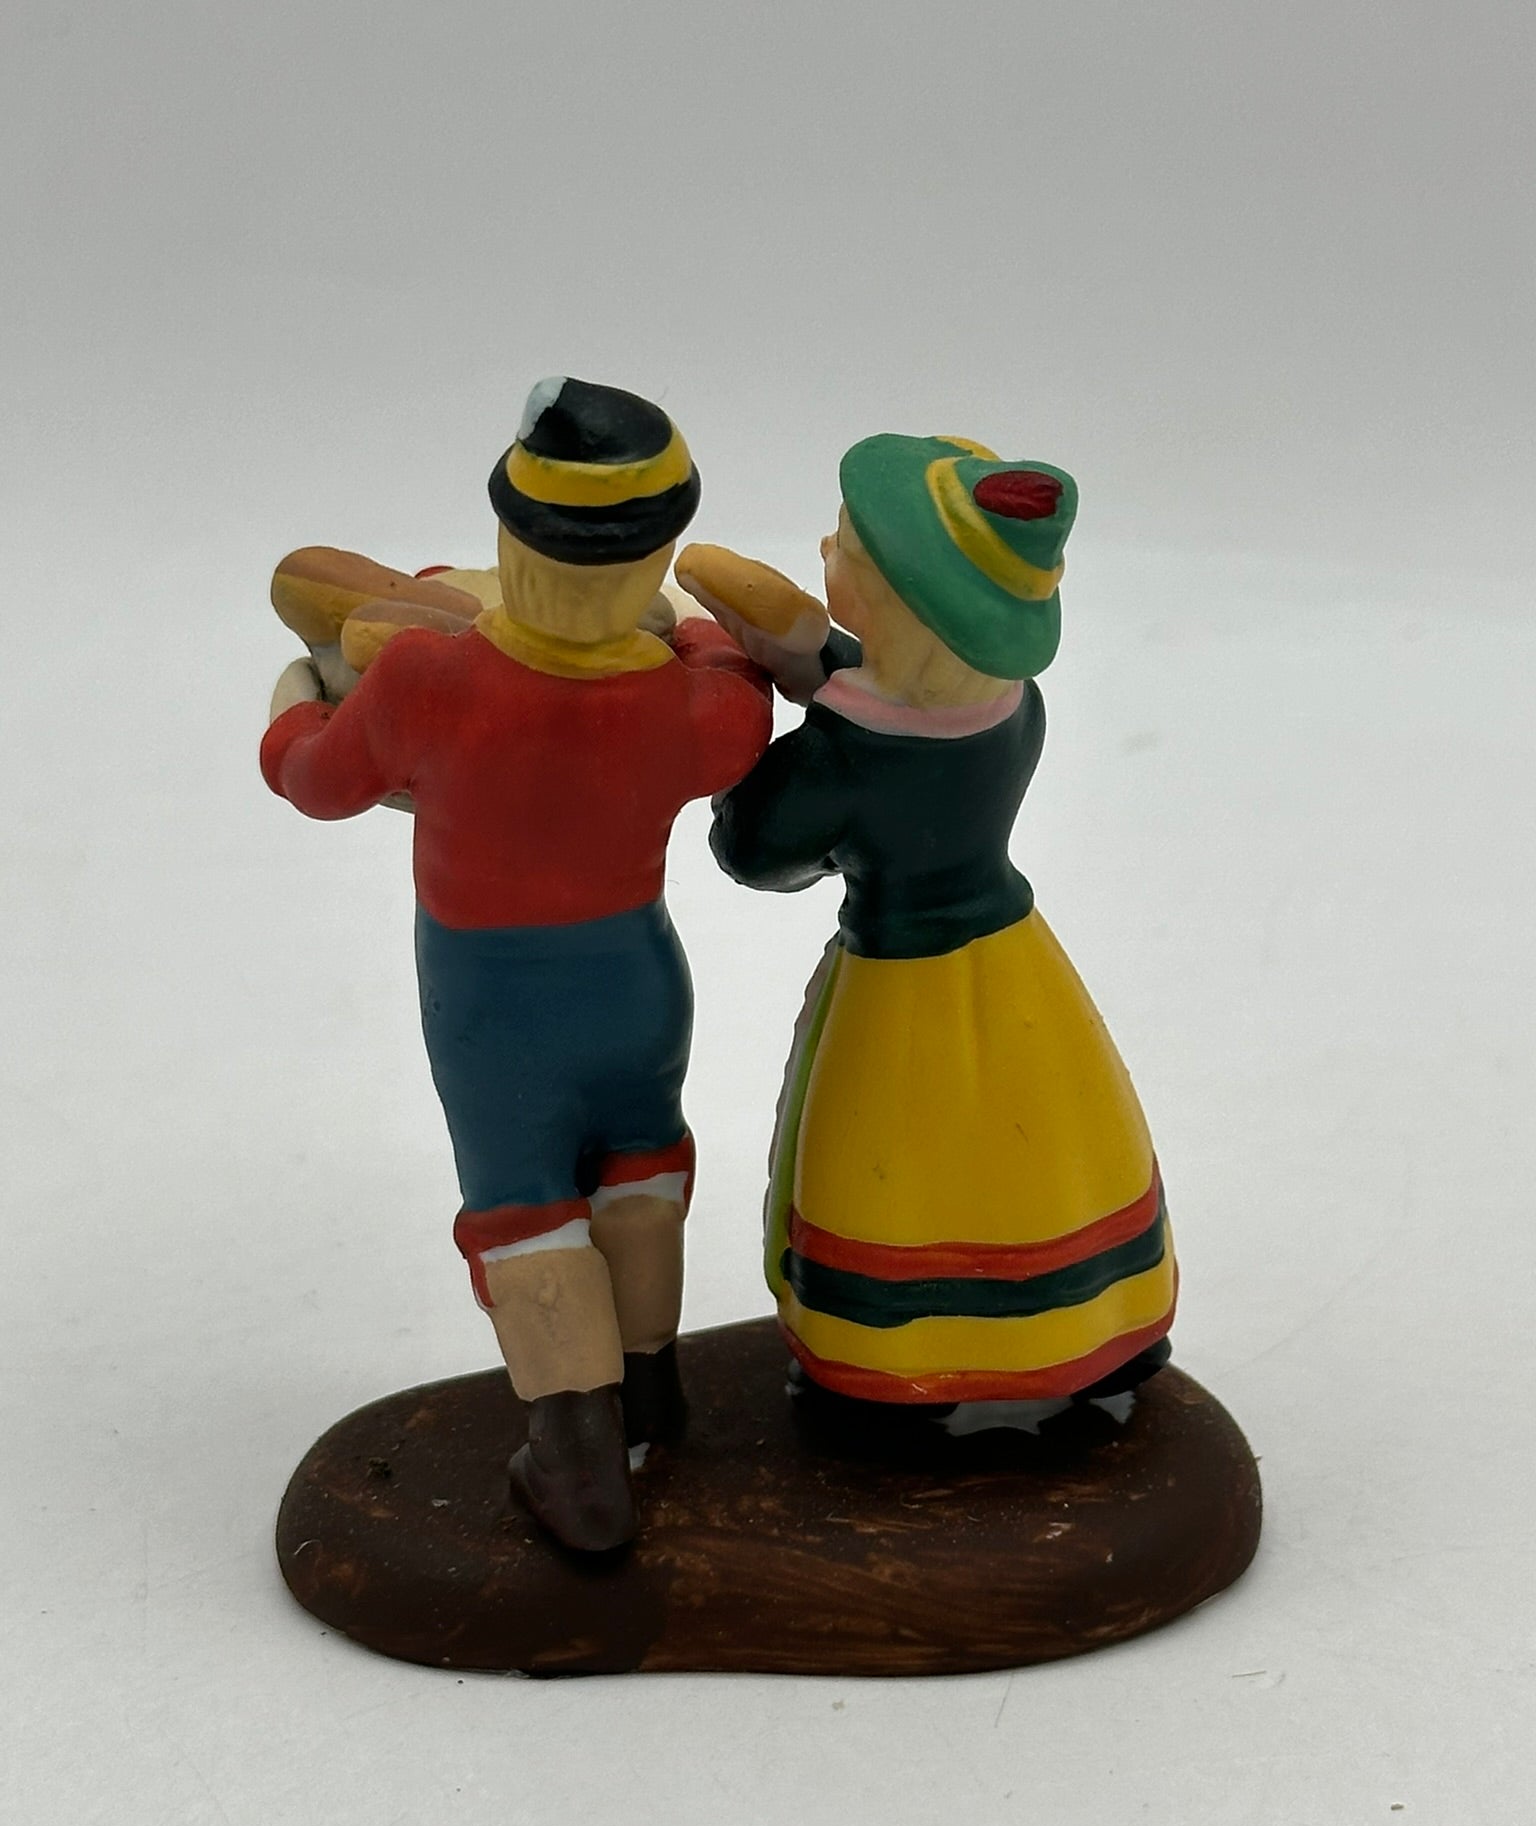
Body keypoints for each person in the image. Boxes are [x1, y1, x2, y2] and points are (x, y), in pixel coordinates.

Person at [262, 378, 772, 1548]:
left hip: (493, 1002)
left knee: (526, 1207)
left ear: (510, 539)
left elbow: (316, 780)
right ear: (654, 558)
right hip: (637, 979)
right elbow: (742, 699)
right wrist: (695, 631)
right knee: (640, 1169)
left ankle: (578, 1460)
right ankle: (653, 1386)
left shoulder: (422, 679)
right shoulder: (685, 701)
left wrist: (292, 703)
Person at [680, 433, 1176, 1407]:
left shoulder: (845, 757)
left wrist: (747, 720)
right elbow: (898, 698)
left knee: (898, 1162)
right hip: (1013, 960)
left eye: (845, 551)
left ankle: (903, 1365)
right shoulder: (1012, 707)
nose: (825, 551)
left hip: (902, 981)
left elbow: (755, 848)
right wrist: (819, 663)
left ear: (899, 605)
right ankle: (1090, 1328)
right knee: (1044, 1148)